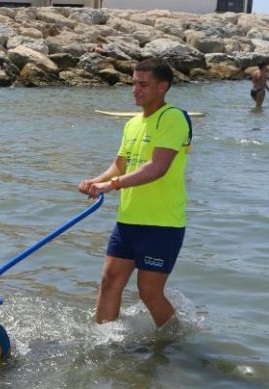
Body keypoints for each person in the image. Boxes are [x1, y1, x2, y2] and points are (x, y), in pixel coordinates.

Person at [78, 58, 192, 329]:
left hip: (162, 223)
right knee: (109, 281)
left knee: (148, 292)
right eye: (134, 83)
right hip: (128, 220)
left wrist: (113, 185)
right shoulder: (132, 123)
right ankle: (104, 342)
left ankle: (175, 341)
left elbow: (158, 168)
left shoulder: (173, 117)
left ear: (163, 86)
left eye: (143, 84)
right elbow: (119, 165)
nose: (135, 90)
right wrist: (95, 181)